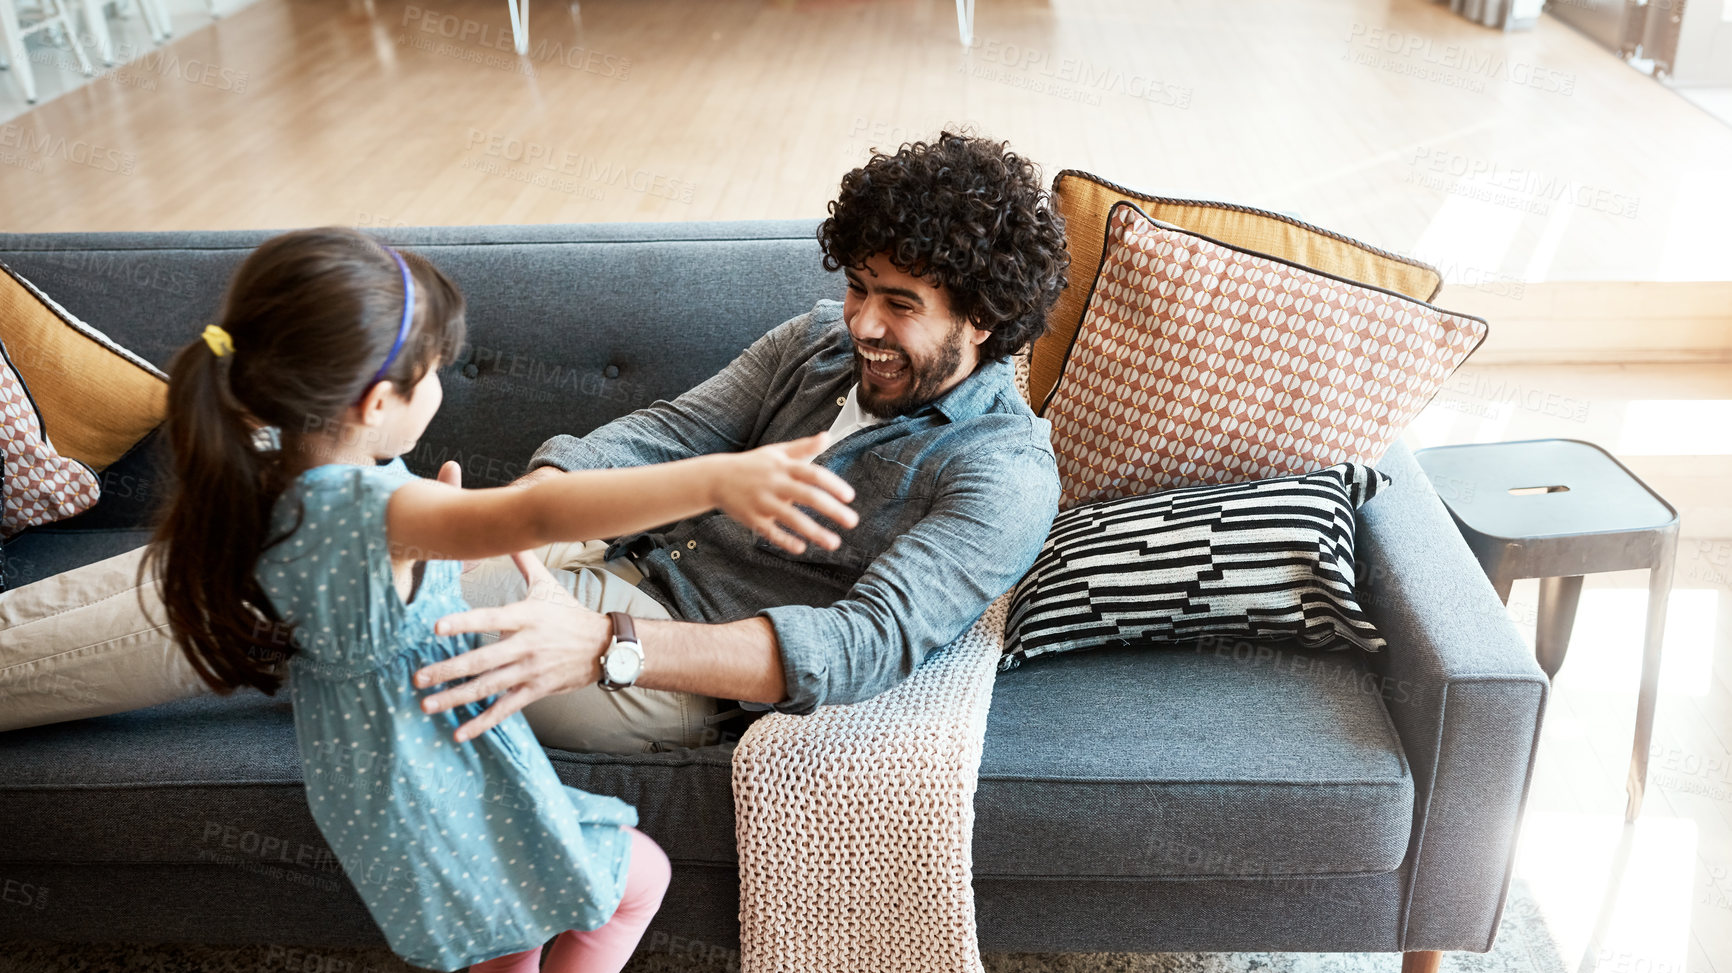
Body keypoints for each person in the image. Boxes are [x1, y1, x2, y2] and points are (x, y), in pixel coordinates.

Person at [0, 130, 1067, 757]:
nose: (862, 323)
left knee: (318, 582)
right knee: (283, 538)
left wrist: (605, 645)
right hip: (587, 567)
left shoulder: (1001, 472)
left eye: (900, 304)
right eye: (855, 288)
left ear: (984, 317)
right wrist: (528, 516)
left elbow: (861, 648)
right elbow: (666, 432)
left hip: (668, 660)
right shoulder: (812, 344)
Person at [144, 227, 857, 973]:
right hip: (435, 767)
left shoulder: (272, 475)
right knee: (637, 880)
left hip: (378, 774)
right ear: (373, 401)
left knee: (513, 927)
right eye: (436, 371)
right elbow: (536, 510)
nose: (443, 386)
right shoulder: (371, 509)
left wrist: (434, 540)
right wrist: (718, 479)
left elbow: (376, 584)